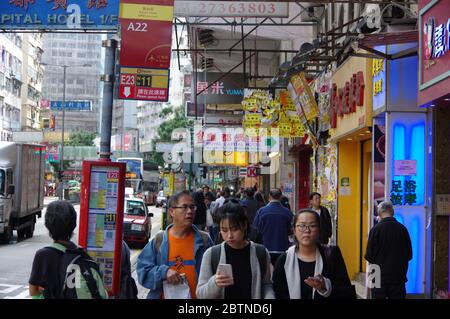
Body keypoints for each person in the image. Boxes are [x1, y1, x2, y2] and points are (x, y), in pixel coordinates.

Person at [137, 191, 213, 299]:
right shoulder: (159, 241)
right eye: (184, 207)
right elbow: (142, 271)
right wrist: (164, 272)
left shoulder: (205, 241)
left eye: (192, 207)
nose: (190, 211)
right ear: (172, 211)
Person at [196, 199, 274, 299]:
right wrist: (215, 283)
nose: (229, 235)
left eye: (234, 229)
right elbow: (200, 294)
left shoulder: (261, 253)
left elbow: (266, 285)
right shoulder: (211, 254)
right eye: (224, 230)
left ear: (245, 225)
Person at [29, 200, 108, 299]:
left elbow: (33, 292)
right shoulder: (83, 256)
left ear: (48, 225)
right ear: (73, 225)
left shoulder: (43, 255)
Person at [273, 209, 355, 299]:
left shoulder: (332, 255)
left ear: (319, 230)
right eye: (302, 226)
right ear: (294, 230)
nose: (307, 230)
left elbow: (346, 292)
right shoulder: (284, 260)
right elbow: (278, 293)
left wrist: (325, 286)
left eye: (312, 226)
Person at [365, 201, 412, 299]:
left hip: (377, 277)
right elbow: (409, 255)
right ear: (392, 212)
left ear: (379, 213)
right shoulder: (402, 229)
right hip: (398, 277)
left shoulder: (375, 230)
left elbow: (369, 256)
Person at [252, 189, 293, 266]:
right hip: (283, 247)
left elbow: (255, 229)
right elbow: (291, 230)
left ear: (269, 197)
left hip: (265, 247)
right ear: (280, 197)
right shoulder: (287, 212)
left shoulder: (261, 211)